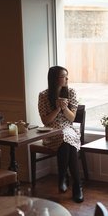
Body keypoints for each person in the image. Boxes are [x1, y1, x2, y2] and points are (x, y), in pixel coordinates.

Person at [38, 65, 83, 203]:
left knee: (66, 138)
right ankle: (76, 185)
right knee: (65, 141)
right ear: (54, 79)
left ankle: (65, 179)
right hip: (51, 131)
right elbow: (45, 121)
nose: (67, 78)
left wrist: (64, 108)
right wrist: (57, 109)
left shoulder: (72, 93)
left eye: (67, 75)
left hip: (68, 129)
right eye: (64, 76)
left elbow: (72, 118)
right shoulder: (44, 96)